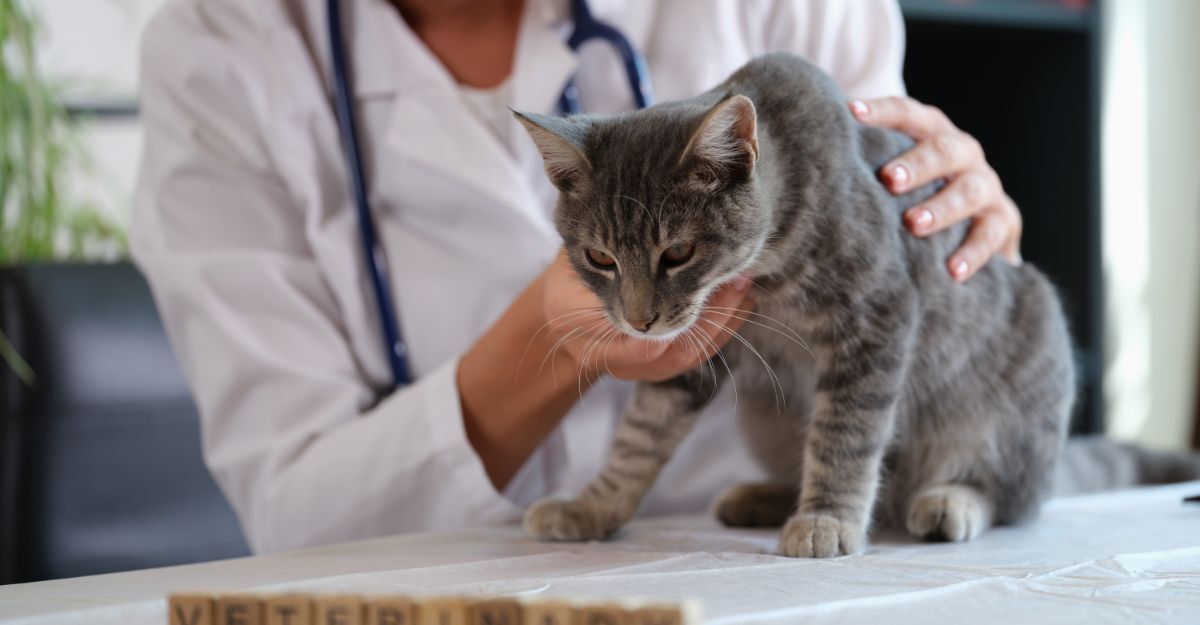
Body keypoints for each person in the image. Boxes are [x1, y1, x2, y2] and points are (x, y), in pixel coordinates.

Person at [132, 0, 1023, 554]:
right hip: (451, 572)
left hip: (764, 563)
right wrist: (553, 336)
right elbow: (297, 516)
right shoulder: (220, 54)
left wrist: (965, 219)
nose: (638, 309)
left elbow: (893, 295)